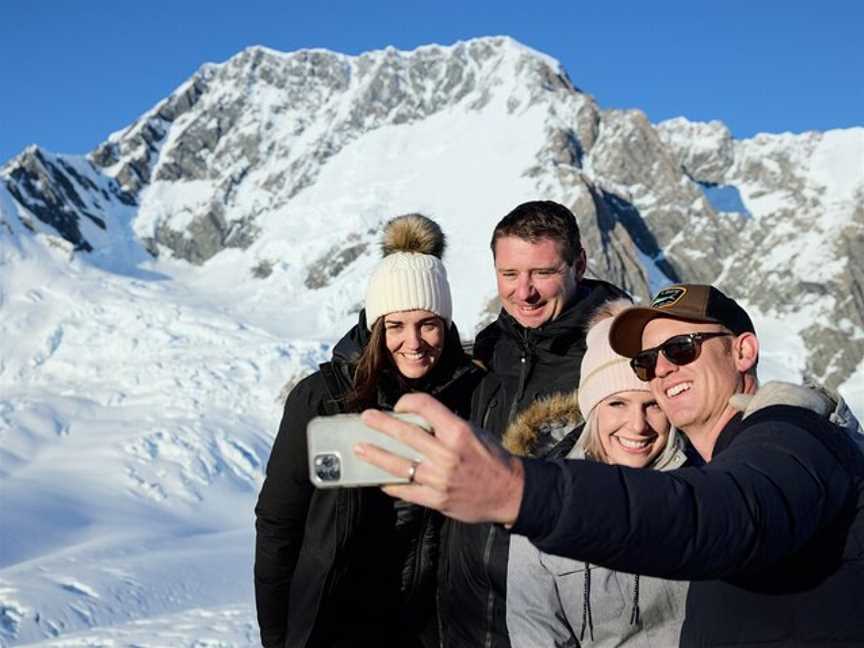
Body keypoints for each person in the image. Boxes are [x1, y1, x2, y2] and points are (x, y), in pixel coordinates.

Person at [356, 283, 864, 646]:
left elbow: (727, 514)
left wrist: (518, 490)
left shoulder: (794, 435)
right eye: (647, 362)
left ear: (743, 351)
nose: (662, 370)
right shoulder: (730, 455)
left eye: (681, 348)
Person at [254, 214, 486, 648]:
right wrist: (277, 636)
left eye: (428, 324)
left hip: (439, 630)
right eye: (395, 326)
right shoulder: (322, 398)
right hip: (338, 626)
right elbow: (277, 526)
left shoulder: (472, 396)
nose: (413, 342)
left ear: (447, 325)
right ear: (375, 326)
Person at [439, 200, 625, 648]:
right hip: (463, 624)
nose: (524, 292)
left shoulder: (613, 360)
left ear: (578, 264)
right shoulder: (486, 354)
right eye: (509, 275)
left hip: (560, 627)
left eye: (541, 273)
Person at [505, 299, 690, 647]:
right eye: (616, 404)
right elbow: (536, 630)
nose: (637, 425)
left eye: (652, 405)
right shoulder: (548, 500)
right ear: (592, 409)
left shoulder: (703, 487)